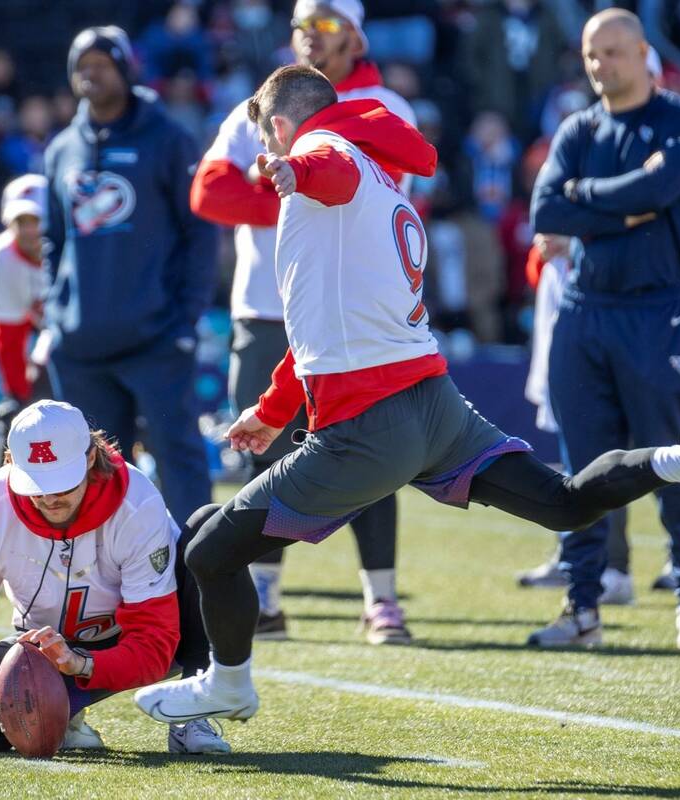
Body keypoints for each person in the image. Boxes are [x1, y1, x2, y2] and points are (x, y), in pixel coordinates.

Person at [132, 65, 680, 730]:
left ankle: (229, 685)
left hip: (370, 424)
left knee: (209, 550)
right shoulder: (382, 176)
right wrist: (272, 412)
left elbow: (321, 166)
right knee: (566, 505)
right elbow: (323, 325)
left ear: (279, 128)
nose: (270, 156)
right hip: (435, 406)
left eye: (269, 143)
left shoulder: (319, 153)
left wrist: (295, 170)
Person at [191, 0, 417, 645]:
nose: (308, 38)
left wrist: (285, 189)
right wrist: (291, 196)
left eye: (324, 25)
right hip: (265, 302)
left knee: (372, 448)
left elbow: (373, 191)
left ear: (354, 35)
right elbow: (207, 191)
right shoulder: (259, 106)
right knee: (263, 453)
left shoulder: (380, 106)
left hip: (350, 305)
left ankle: (382, 598)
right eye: (300, 26)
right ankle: (265, 597)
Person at [517, 43, 680, 608]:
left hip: (656, 305)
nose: (601, 66)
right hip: (585, 300)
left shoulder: (679, 126)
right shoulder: (581, 129)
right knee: (587, 453)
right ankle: (597, 572)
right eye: (593, 54)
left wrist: (588, 209)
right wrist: (619, 210)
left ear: (645, 62)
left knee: (668, 445)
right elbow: (547, 212)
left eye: (615, 53)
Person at [0, 399, 229, 755]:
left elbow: (155, 642)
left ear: (92, 457)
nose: (50, 496)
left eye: (62, 481)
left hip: (153, 643)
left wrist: (83, 664)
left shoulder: (136, 503)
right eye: (37, 483)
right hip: (42, 653)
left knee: (211, 532)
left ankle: (193, 710)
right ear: (10, 463)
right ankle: (65, 713)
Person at [42, 27, 217, 526]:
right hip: (82, 347)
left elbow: (199, 236)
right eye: (82, 64)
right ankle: (104, 586)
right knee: (91, 475)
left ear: (126, 70)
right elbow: (53, 241)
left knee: (179, 460)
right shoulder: (62, 150)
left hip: (156, 339)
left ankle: (199, 576)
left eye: (102, 63)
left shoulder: (168, 140)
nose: (90, 74)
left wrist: (185, 320)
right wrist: (58, 313)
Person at [0, 174, 53, 475]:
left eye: (35, 220)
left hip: (94, 340)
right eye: (20, 221)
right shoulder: (2, 256)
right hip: (49, 334)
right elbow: (7, 333)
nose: (29, 230)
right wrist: (19, 393)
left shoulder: (79, 249)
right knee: (17, 411)